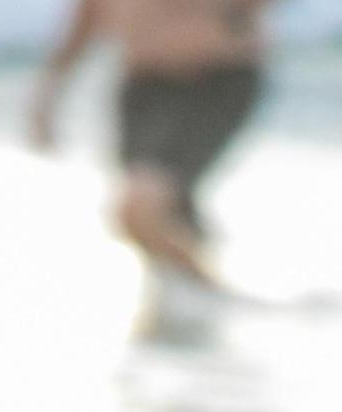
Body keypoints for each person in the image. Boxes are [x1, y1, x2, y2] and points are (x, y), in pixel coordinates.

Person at [27, 0, 276, 294]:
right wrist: (47, 100)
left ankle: (216, 297)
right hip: (142, 90)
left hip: (215, 80)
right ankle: (191, 301)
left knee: (140, 207)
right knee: (157, 213)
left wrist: (231, 16)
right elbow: (84, 22)